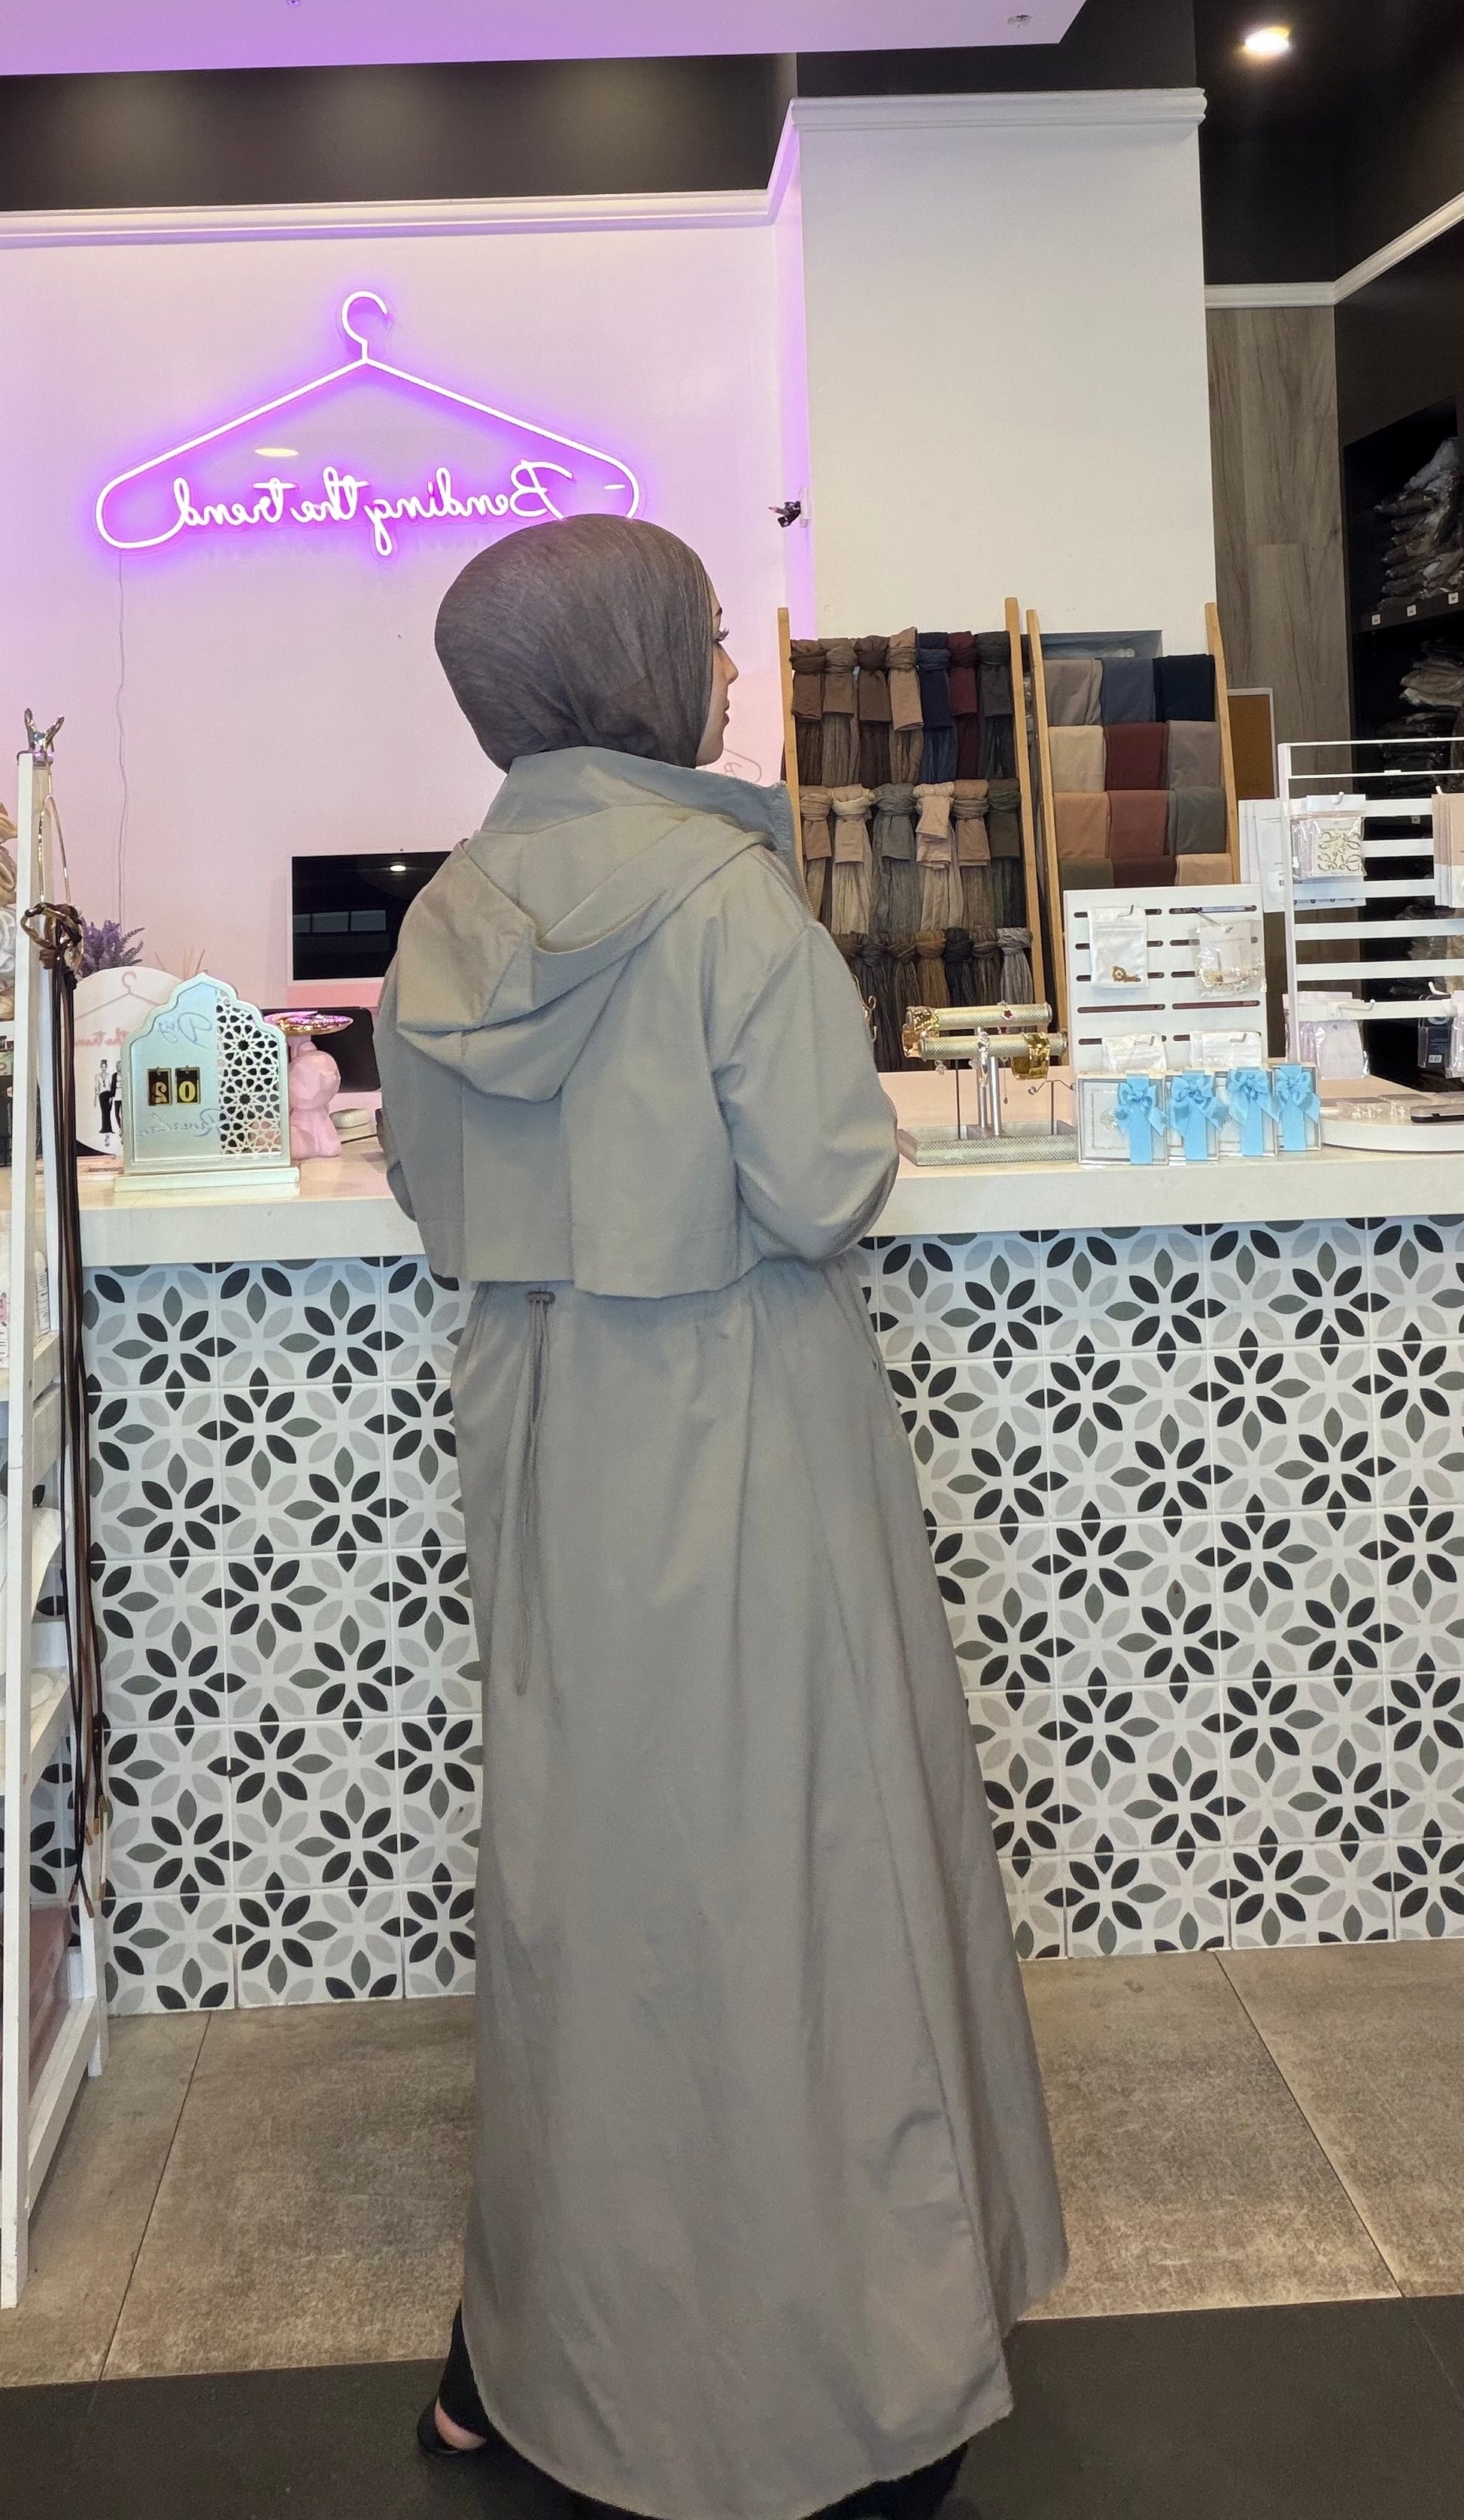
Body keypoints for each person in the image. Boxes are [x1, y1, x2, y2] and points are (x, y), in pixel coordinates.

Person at [375, 516, 1065, 2520]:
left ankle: (531, 2356)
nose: (734, 672)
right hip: (743, 1430)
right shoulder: (728, 896)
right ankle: (841, 2383)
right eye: (706, 638)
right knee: (800, 1878)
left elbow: (427, 1188)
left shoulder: (448, 913)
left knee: (593, 1891)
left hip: (546, 1446)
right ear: (639, 668)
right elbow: (827, 1181)